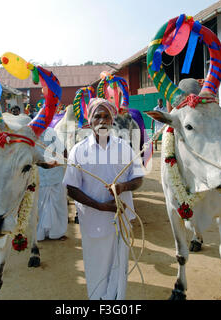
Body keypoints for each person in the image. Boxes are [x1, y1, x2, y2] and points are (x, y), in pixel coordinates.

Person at [63, 98, 144, 300]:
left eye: (106, 116)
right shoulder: (78, 151)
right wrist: (99, 206)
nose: (102, 120)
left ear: (112, 120)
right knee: (97, 267)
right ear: (90, 121)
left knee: (119, 269)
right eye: (97, 116)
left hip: (121, 221)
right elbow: (71, 188)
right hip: (94, 221)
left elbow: (138, 177)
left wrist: (124, 186)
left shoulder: (124, 147)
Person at [36, 126, 68, 241]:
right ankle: (40, 233)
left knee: (58, 204)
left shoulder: (50, 131)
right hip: (40, 175)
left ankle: (57, 233)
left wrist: (62, 161)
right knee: (40, 205)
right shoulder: (30, 133)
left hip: (55, 173)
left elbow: (63, 151)